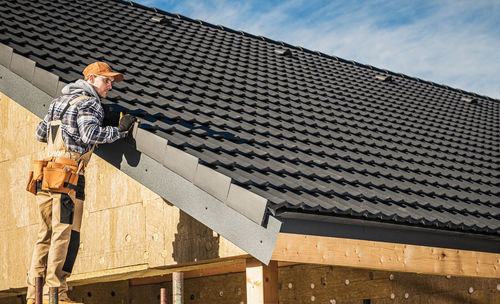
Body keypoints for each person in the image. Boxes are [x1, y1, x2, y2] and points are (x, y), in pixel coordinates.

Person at [26, 62, 136, 304]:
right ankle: (57, 294)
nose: (110, 86)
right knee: (65, 233)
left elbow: (40, 133)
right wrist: (119, 131)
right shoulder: (89, 102)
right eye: (106, 81)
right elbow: (90, 134)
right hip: (68, 175)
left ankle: (34, 297)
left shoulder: (58, 103)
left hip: (46, 173)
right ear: (92, 78)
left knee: (45, 234)